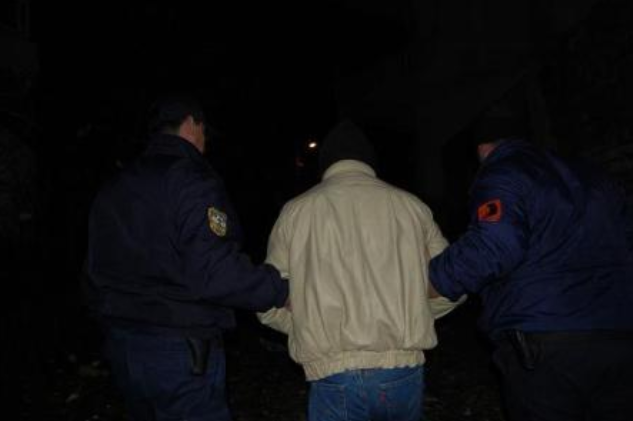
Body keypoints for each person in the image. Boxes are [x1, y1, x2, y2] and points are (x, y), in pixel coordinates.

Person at [84, 94, 289, 421]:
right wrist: (280, 290)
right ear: (192, 123)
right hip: (179, 350)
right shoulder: (191, 180)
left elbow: (93, 271)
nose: (205, 140)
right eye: (204, 130)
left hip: (124, 348)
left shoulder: (115, 185)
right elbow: (216, 272)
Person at [428, 100, 633, 421]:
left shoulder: (503, 172)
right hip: (619, 337)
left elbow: (493, 245)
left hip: (548, 345)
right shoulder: (596, 177)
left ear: (482, 147)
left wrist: (431, 279)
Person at [259, 120, 463, 421]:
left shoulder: (295, 212)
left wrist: (308, 325)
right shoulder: (412, 207)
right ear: (369, 161)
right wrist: (413, 314)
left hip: (332, 373)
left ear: (326, 164)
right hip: (402, 370)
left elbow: (266, 298)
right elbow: (454, 282)